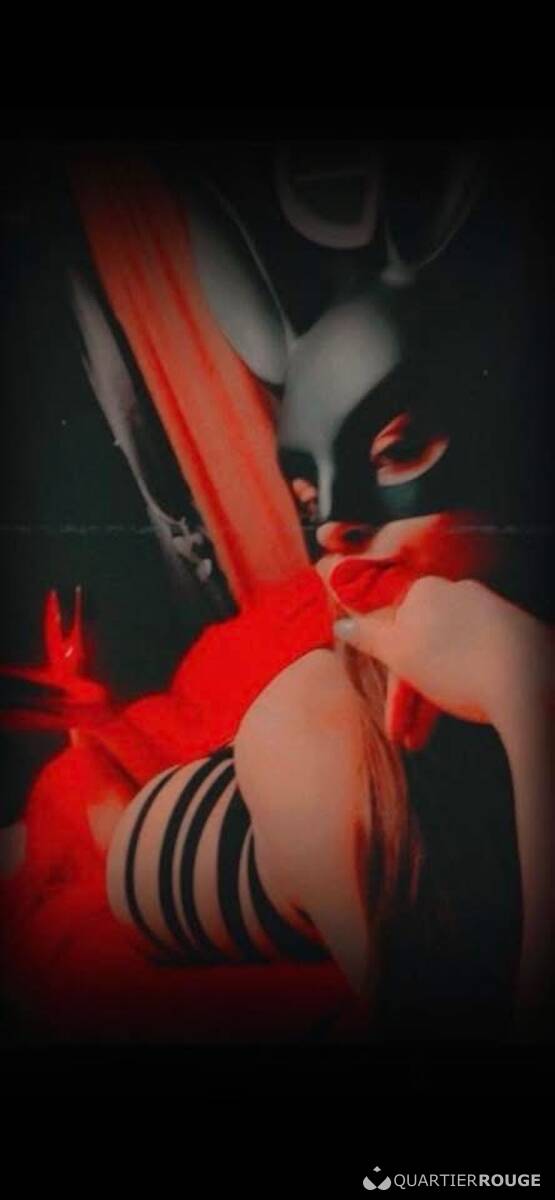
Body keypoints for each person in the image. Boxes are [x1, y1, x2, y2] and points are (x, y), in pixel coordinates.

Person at [0, 140, 552, 1043]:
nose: (333, 528)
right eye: (305, 498)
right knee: (111, 814)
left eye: (396, 452)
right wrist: (525, 695)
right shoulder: (316, 726)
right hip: (166, 833)